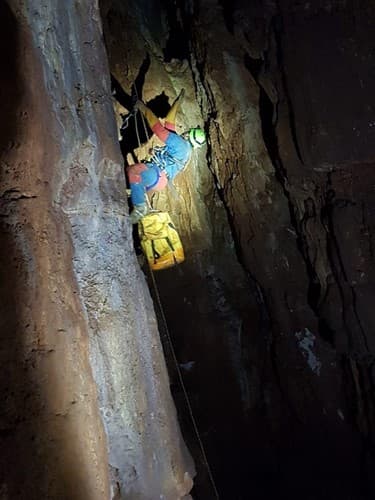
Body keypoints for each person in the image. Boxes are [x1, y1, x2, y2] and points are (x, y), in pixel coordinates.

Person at [126, 90, 206, 223]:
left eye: (188, 132)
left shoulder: (181, 144)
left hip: (157, 173)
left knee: (134, 171)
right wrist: (177, 103)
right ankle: (134, 201)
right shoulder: (185, 149)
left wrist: (142, 107)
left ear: (189, 135)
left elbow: (159, 130)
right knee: (129, 176)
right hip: (159, 178)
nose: (185, 132)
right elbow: (169, 123)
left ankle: (140, 208)